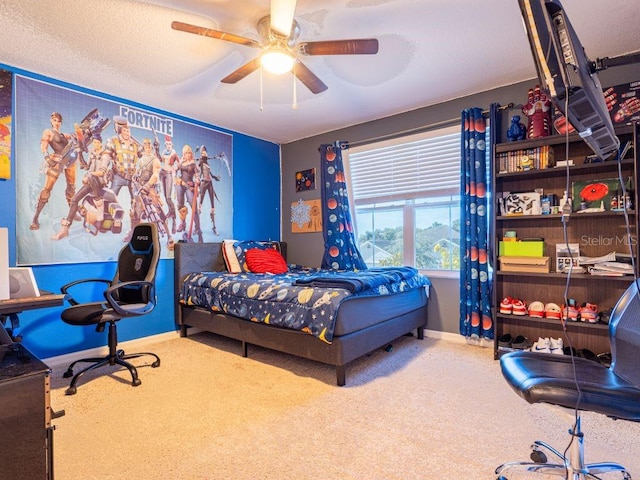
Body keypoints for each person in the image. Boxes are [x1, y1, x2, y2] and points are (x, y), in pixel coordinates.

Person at [52, 136, 111, 239]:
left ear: (101, 144)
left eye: (97, 143)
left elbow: (102, 172)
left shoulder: (105, 155)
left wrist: (88, 175)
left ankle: (99, 202)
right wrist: (79, 154)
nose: (95, 144)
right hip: (91, 181)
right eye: (94, 142)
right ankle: (65, 229)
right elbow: (85, 166)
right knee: (74, 200)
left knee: (90, 176)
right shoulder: (92, 153)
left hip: (100, 182)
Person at [30, 112, 78, 230]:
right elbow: (43, 145)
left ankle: (72, 213)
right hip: (56, 160)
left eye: (59, 121)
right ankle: (35, 217)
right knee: (47, 188)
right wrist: (47, 157)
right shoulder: (48, 132)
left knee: (71, 187)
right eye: (55, 120)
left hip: (69, 161)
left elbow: (76, 138)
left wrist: (78, 134)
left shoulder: (63, 135)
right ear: (51, 121)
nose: (57, 122)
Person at [129, 138, 174, 248]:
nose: (147, 147)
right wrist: (135, 177)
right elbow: (137, 172)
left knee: (158, 212)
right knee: (135, 213)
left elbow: (155, 175)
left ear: (151, 147)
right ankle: (133, 235)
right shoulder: (140, 160)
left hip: (149, 189)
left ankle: (169, 236)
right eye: (145, 145)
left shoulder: (155, 160)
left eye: (149, 146)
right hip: (139, 187)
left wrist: (147, 186)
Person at [102, 116, 141, 235]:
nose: (127, 132)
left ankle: (135, 228)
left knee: (136, 202)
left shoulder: (136, 144)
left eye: (128, 129)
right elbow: (106, 155)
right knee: (109, 198)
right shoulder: (112, 141)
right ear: (118, 129)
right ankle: (108, 223)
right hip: (118, 175)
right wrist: (103, 169)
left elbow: (145, 158)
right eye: (124, 129)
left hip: (132, 177)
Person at [174, 144, 201, 241]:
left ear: (191, 153)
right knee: (180, 205)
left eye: (189, 152)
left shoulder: (193, 164)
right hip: (180, 184)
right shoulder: (182, 162)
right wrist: (178, 164)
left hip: (189, 186)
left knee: (193, 206)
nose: (188, 155)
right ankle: (182, 223)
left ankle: (197, 227)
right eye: (186, 153)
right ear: (183, 154)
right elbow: (175, 170)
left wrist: (197, 179)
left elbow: (197, 173)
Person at [196, 145, 221, 236]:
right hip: (203, 183)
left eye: (205, 152)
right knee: (199, 207)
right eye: (202, 152)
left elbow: (209, 173)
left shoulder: (206, 161)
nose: (204, 153)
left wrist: (215, 177)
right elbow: (198, 170)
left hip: (210, 183)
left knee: (213, 206)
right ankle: (197, 228)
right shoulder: (201, 161)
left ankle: (214, 227)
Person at [160, 135, 179, 233]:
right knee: (164, 196)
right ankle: (170, 211)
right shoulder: (164, 152)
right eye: (167, 144)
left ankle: (174, 218)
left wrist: (175, 168)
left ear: (172, 144)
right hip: (162, 173)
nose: (168, 146)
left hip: (169, 175)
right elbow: (161, 161)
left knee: (168, 197)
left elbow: (178, 163)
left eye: (169, 144)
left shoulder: (174, 153)